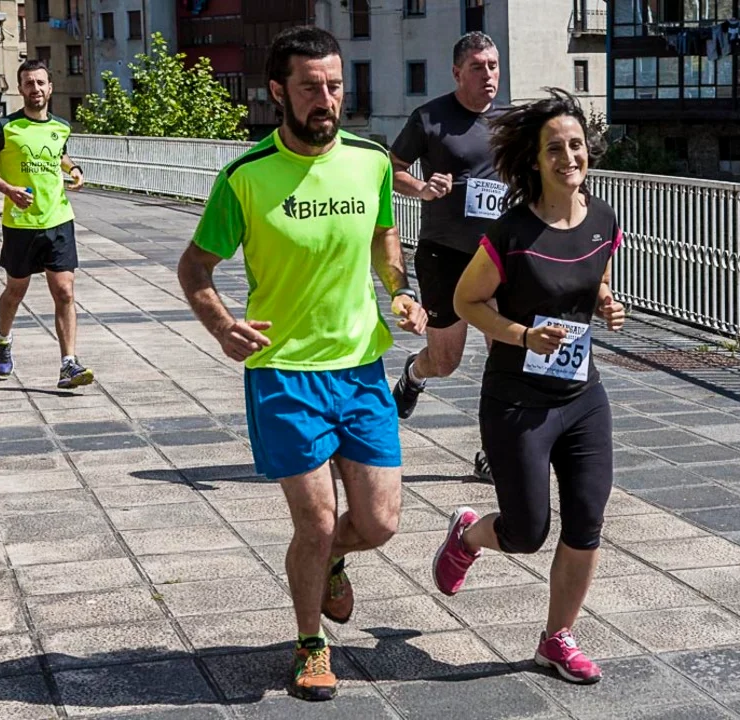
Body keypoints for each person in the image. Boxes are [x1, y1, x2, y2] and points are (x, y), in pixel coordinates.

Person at [176, 27, 427, 702]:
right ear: (277, 92)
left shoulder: (371, 162)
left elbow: (384, 235)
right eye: (311, 87)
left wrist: (399, 291)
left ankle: (332, 561)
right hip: (283, 372)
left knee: (379, 523)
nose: (326, 99)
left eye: (334, 86)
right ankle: (311, 643)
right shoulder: (245, 176)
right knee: (314, 523)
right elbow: (195, 268)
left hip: (361, 368)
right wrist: (221, 325)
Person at [431, 88, 626, 685]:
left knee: (587, 520)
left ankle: (556, 640)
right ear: (536, 161)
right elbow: (467, 300)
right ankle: (468, 534)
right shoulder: (513, 231)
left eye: (576, 145)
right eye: (554, 149)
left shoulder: (603, 219)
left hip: (582, 397)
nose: (569, 157)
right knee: (526, 533)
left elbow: (591, 279)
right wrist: (520, 335)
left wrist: (606, 302)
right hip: (517, 401)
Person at [389, 31, 505, 483]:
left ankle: (493, 451)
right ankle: (415, 374)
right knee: (446, 361)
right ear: (457, 73)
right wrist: (421, 188)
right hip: (444, 255)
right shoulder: (430, 118)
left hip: (496, 258)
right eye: (477, 67)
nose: (488, 74)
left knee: (504, 358)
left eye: (493, 65)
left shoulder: (511, 122)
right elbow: (392, 169)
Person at [0, 58, 92, 389]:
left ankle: (69, 364)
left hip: (59, 219)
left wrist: (73, 169)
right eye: (28, 83)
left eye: (40, 82)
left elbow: (58, 153)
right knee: (16, 290)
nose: (35, 88)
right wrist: (8, 189)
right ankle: (3, 340)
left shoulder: (61, 126)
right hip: (20, 224)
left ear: (50, 87)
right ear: (20, 88)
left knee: (64, 291)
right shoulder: (5, 127)